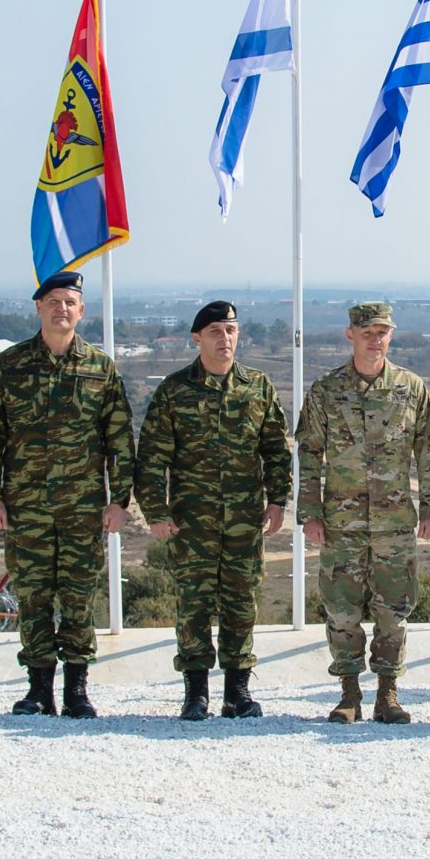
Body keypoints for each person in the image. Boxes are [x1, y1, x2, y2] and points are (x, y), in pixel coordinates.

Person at [0, 269, 134, 720]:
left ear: (81, 311)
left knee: (79, 595)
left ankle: (78, 690)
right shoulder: (10, 366)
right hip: (25, 506)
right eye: (53, 302)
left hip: (84, 507)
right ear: (38, 308)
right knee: (34, 596)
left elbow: (119, 440)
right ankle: (38, 689)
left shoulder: (99, 368)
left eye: (69, 302)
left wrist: (118, 500)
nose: (61, 309)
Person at [135, 300, 292, 721]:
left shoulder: (257, 386)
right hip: (192, 521)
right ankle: (196, 692)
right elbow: (151, 457)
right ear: (197, 338)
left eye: (231, 330)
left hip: (244, 518)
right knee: (194, 604)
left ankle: (237, 692)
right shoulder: (174, 390)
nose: (225, 339)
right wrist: (156, 510)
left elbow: (276, 450)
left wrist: (278, 500)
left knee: (241, 602)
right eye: (216, 332)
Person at [295, 300, 430, 725]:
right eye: (366, 333)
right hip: (341, 524)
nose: (375, 339)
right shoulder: (326, 391)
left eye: (382, 332)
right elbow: (309, 454)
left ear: (390, 335)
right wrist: (310, 513)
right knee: (342, 612)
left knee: (393, 612)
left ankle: (388, 694)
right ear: (350, 335)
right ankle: (348, 694)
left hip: (395, 522)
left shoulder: (410, 388)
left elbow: (429, 452)